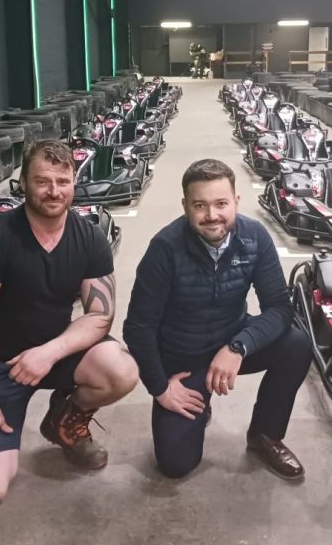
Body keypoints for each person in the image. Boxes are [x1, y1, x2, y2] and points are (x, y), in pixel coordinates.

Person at [0, 139, 139, 505]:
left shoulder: (89, 238)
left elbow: (100, 315)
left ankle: (63, 420)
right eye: (42, 181)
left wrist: (49, 353)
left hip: (54, 353)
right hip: (1, 364)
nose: (54, 191)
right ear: (23, 182)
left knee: (121, 370)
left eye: (63, 181)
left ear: (73, 182)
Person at [123, 158, 311, 480]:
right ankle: (198, 405)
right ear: (185, 206)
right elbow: (138, 328)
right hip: (183, 359)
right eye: (200, 205)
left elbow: (279, 308)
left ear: (236, 201)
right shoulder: (164, 249)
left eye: (221, 203)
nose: (212, 216)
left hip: (230, 338)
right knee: (175, 464)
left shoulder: (254, 238)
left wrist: (238, 347)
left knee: (296, 343)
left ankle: (265, 435)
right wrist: (160, 388)